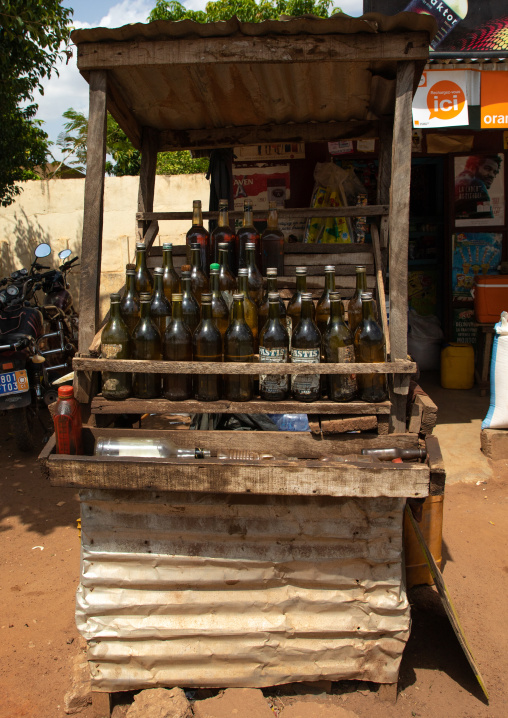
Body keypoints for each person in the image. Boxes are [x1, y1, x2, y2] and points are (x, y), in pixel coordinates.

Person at [455, 155, 502, 220]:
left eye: (495, 172)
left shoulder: (458, 181)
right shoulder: (477, 184)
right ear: (472, 167)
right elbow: (488, 222)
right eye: (487, 169)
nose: (492, 175)